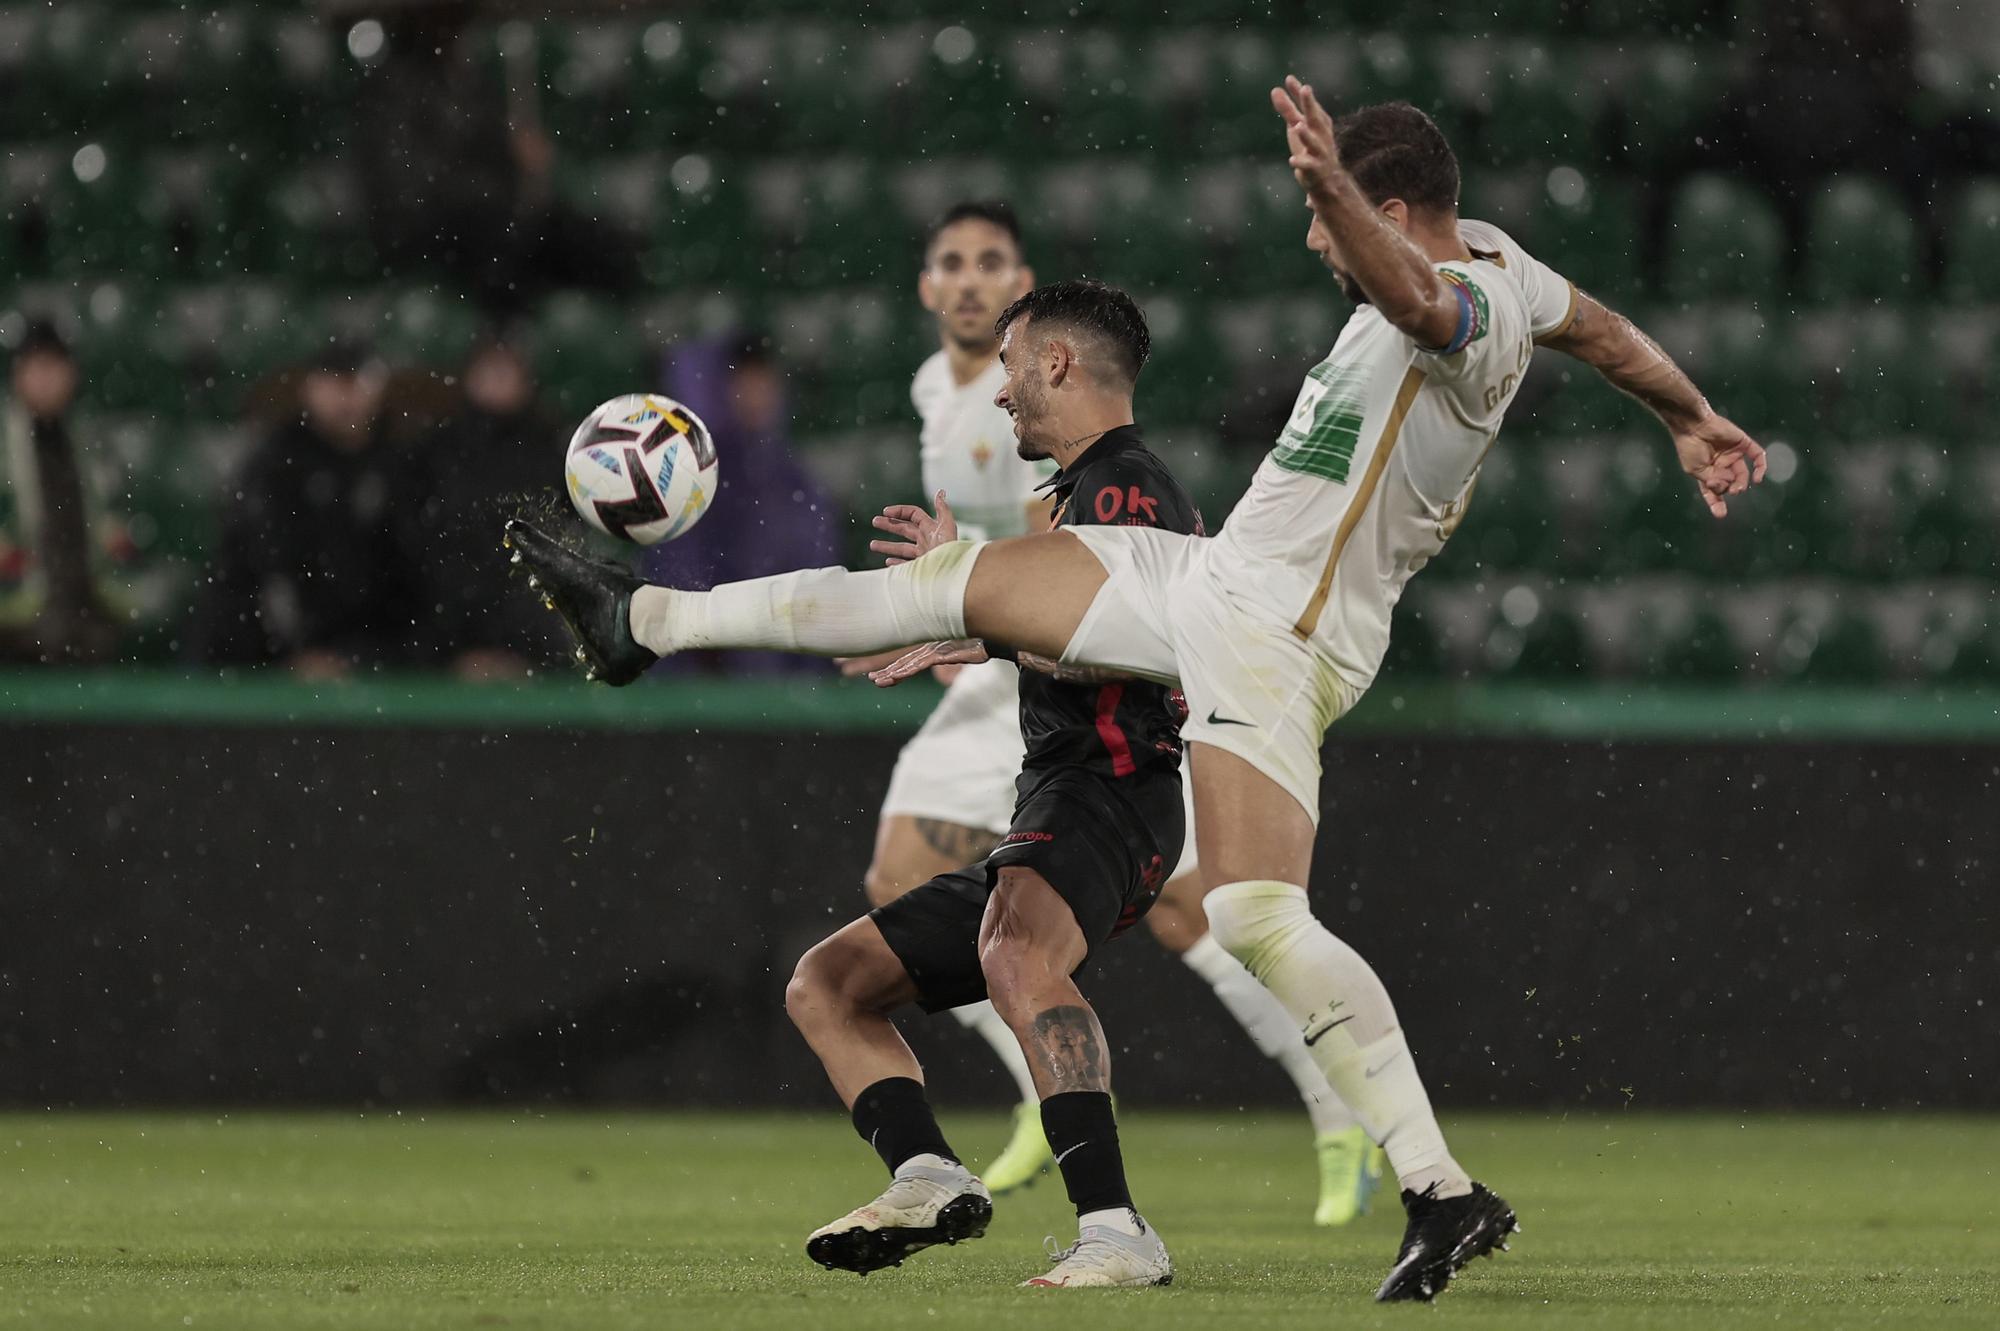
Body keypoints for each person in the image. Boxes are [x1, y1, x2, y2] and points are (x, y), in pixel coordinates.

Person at [505, 83, 1768, 1302]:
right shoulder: (1514, 264)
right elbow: (1595, 326)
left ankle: (1424, 1182)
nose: (1312, 240)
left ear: (1379, 208)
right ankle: (644, 620)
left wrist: (1341, 195)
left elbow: (1423, 301)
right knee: (959, 586)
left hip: (1277, 627)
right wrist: (1691, 414)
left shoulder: (1465, 298)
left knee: (1260, 915)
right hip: (1222, 585)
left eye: (1323, 220)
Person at [848, 201, 1386, 1217]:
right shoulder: (940, 386)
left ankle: (1320, 1104)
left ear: (1027, 307)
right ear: (925, 288)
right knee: (946, 890)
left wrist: (957, 600)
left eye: (991, 263)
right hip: (1021, 666)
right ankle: (1047, 1091)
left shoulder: (1016, 417)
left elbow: (1080, 553)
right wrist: (955, 619)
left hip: (1077, 662)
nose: (968, 279)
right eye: (949, 261)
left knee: (1183, 913)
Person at [784, 280, 1196, 1288]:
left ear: (1055, 362)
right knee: (827, 984)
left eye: (1012, 366)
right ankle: (926, 1174)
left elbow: (1137, 643)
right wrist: (975, 608)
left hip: (1112, 784)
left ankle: (1115, 1229)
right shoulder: (1077, 496)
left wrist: (975, 589)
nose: (1003, 392)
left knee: (1015, 953)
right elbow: (1071, 624)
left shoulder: (1126, 487)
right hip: (1057, 794)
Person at [188, 341, 433, 674]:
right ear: (310, 389)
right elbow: (258, 568)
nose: (346, 397)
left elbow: (410, 580)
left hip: (375, 662)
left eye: (357, 383)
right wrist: (295, 653)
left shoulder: (402, 467)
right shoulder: (275, 464)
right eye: (334, 383)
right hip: (274, 661)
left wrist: (359, 656)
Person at [640, 333, 840, 677]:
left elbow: (820, 581)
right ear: (723, 388)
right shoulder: (695, 474)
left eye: (764, 383)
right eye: (744, 383)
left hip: (784, 675)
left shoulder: (797, 481)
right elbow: (674, 578)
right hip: (702, 677)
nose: (756, 395)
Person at [420, 330, 568, 680]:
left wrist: (528, 646)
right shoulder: (437, 452)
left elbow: (560, 555)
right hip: (447, 639)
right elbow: (428, 551)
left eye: (508, 370)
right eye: (489, 370)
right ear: (468, 377)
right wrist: (457, 648)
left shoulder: (554, 453)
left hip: (535, 642)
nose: (498, 381)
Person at [0, 319, 126, 664]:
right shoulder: (5, 442)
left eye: (54, 367)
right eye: (35, 367)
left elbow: (113, 524)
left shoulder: (88, 441)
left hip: (85, 614)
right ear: (17, 375)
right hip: (16, 616)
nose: (45, 379)